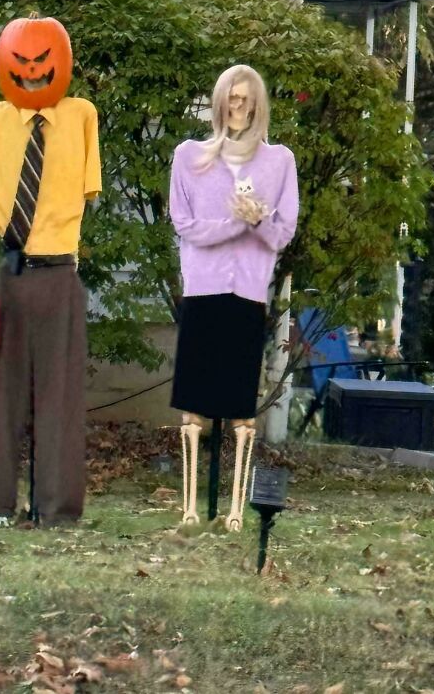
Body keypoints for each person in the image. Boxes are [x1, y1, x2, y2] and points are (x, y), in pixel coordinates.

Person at [0, 16, 101, 527]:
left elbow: (85, 189)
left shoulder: (82, 116)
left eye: (43, 61)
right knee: (0, 391)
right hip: (11, 273)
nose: (34, 70)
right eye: (24, 61)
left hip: (60, 272)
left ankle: (55, 509)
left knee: (60, 396)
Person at [169, 64, 298, 530]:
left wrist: (258, 219)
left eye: (245, 99)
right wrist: (235, 224)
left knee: (242, 406)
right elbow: (183, 223)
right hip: (203, 288)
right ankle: (188, 509)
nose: (236, 107)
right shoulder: (190, 157)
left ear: (258, 105)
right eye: (230, 97)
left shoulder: (279, 162)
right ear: (219, 102)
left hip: (247, 290)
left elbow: (281, 233)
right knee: (193, 403)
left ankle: (236, 512)